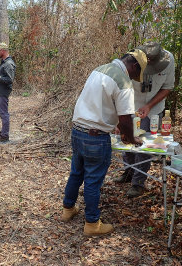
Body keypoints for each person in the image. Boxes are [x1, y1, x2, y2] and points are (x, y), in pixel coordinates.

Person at [61, 49, 147, 236]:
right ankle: (92, 223)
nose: (133, 77)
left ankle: (68, 209)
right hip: (95, 138)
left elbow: (99, 103)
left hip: (77, 131)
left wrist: (113, 123)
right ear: (133, 66)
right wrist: (131, 138)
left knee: (76, 173)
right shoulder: (123, 81)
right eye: (135, 74)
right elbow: (125, 119)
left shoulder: (100, 69)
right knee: (93, 180)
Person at [114, 42, 175, 198]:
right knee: (127, 140)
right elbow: (121, 86)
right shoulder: (132, 60)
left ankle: (138, 183)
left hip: (153, 109)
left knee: (145, 145)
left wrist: (148, 106)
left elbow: (167, 87)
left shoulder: (169, 60)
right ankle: (128, 171)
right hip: (131, 105)